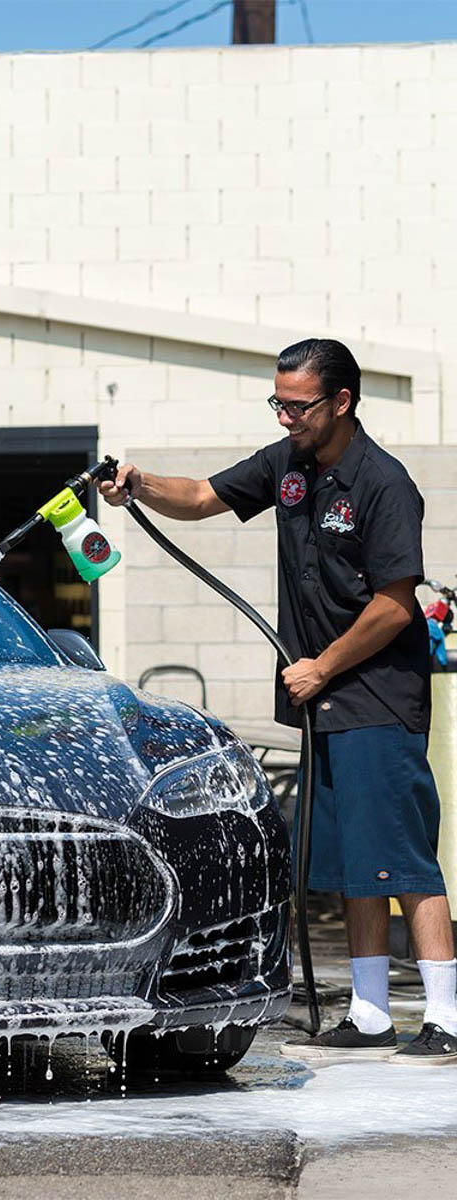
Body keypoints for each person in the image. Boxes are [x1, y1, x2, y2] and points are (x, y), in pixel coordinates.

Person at [100, 337, 457, 1063]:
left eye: (298, 405)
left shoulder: (383, 483)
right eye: (279, 403)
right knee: (355, 862)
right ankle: (369, 1012)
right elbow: (201, 497)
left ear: (342, 402)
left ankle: (447, 1016)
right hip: (321, 698)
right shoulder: (287, 466)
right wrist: (138, 485)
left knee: (403, 860)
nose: (286, 417)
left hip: (376, 696)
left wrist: (321, 666)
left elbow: (397, 605)